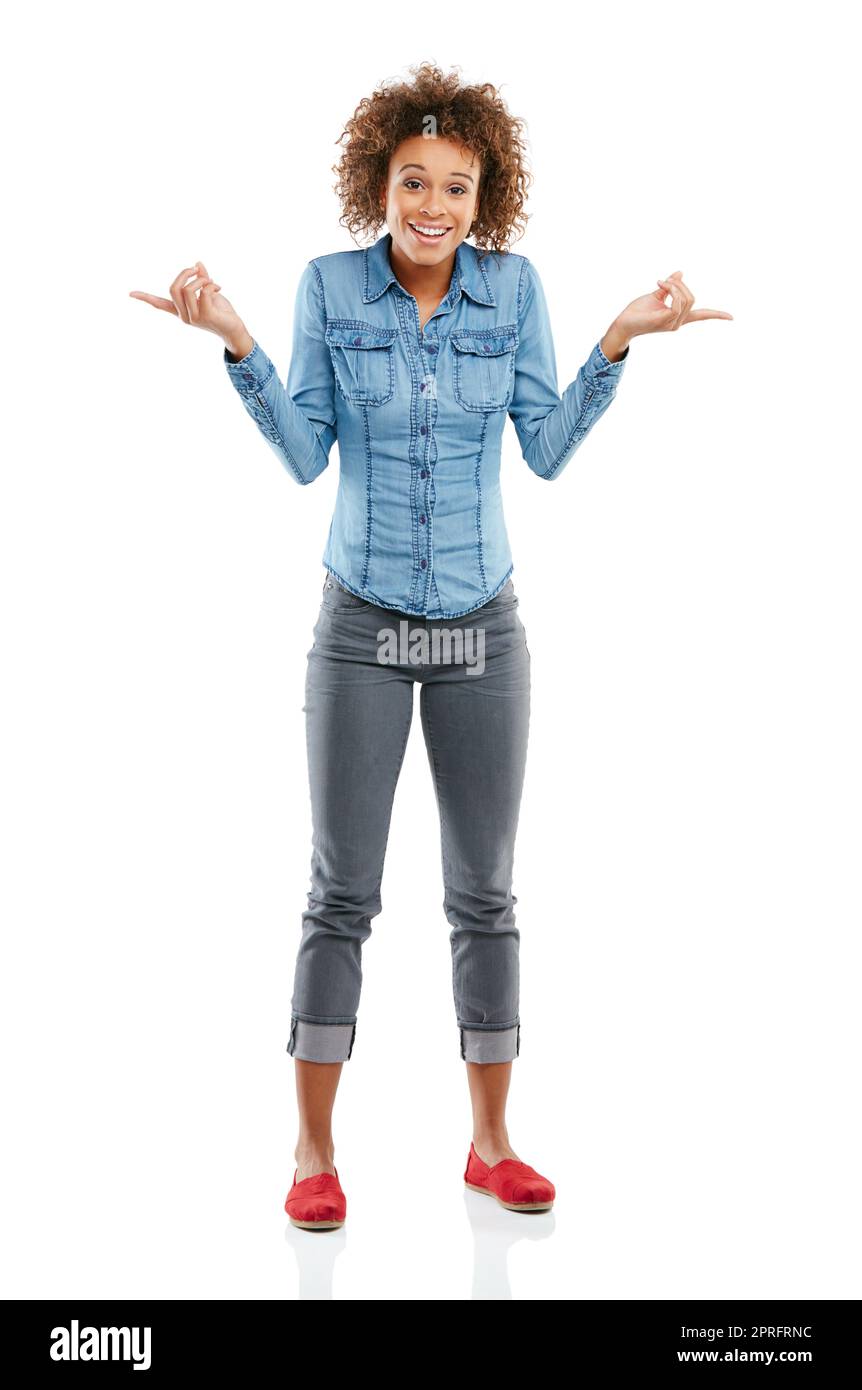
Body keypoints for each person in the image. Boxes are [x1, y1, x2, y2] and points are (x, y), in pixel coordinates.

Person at [130, 62, 732, 1231]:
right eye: (414, 180)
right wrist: (236, 337)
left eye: (457, 186)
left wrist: (618, 338)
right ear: (380, 183)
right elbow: (307, 456)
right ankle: (311, 1151)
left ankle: (491, 1144)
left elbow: (547, 451)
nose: (434, 204)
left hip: (482, 635)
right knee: (339, 894)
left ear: (483, 195)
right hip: (358, 628)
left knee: (485, 895)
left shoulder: (512, 294)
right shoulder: (328, 287)